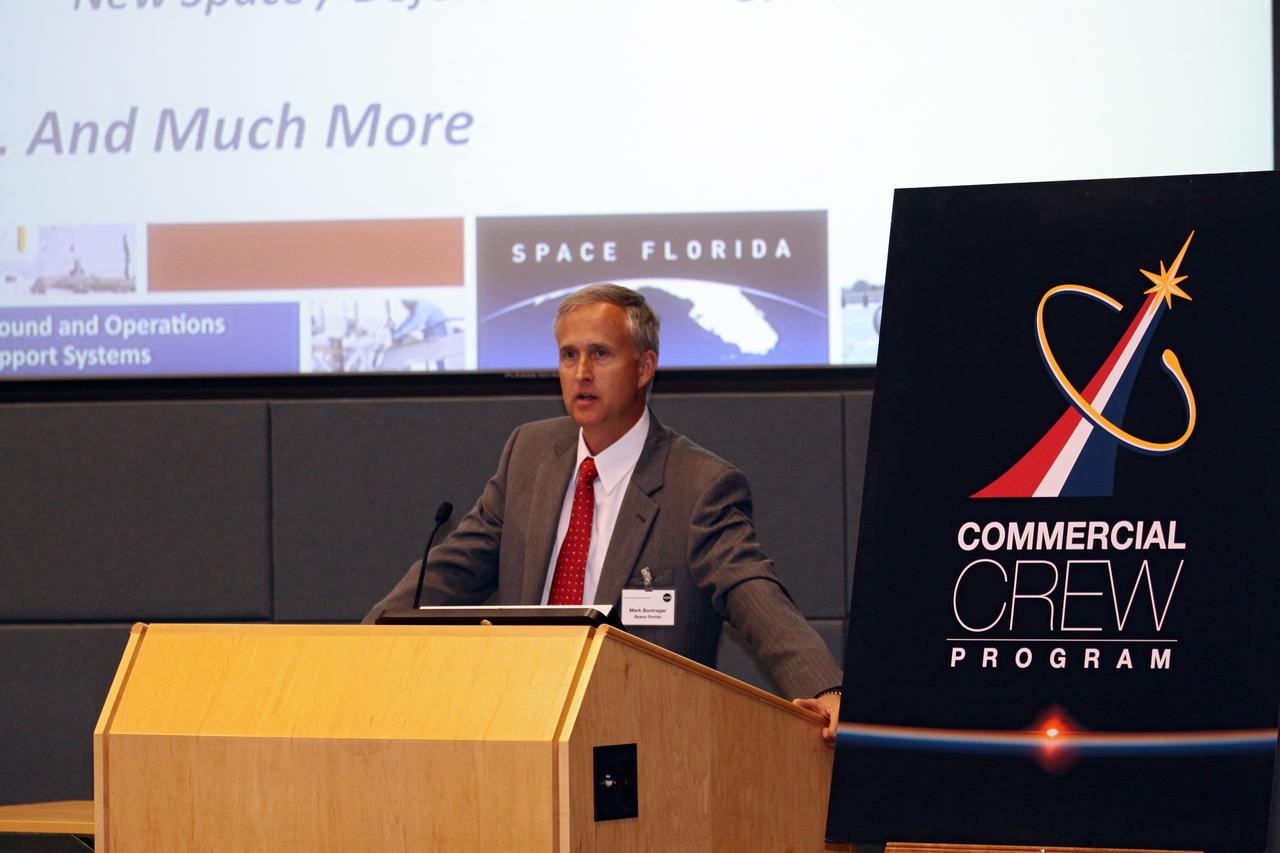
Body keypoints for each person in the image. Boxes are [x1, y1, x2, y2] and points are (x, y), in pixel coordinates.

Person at [364, 283, 843, 744]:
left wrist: (827, 688)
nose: (581, 372)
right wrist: (360, 644)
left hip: (643, 739)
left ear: (645, 367)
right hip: (523, 726)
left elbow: (753, 592)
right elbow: (453, 568)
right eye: (569, 355)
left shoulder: (698, 485)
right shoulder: (528, 453)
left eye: (600, 354)